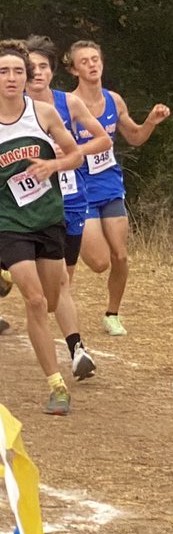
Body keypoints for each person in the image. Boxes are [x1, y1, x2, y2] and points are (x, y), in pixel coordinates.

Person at [0, 40, 85, 414]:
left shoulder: (44, 114)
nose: (12, 78)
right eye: (4, 71)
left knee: (51, 299)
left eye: (18, 71)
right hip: (9, 222)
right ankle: (56, 386)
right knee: (33, 300)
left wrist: (53, 166)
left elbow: (77, 153)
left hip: (48, 217)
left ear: (28, 77)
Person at [64, 40, 171, 336]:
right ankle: (56, 255)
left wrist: (151, 120)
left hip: (110, 184)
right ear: (74, 69)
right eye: (84, 61)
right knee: (98, 263)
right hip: (80, 188)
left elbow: (135, 137)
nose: (92, 65)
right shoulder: (69, 105)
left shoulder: (115, 100)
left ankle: (112, 313)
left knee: (121, 255)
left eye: (95, 59)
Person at [25, 35, 114, 380]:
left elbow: (104, 138)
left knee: (60, 283)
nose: (36, 74)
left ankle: (73, 347)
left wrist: (70, 154)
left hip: (70, 198)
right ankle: (77, 349)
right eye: (31, 68)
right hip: (25, 205)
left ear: (51, 71)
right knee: (54, 280)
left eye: (43, 67)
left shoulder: (66, 104)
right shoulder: (11, 110)